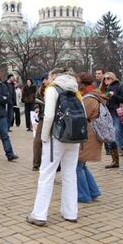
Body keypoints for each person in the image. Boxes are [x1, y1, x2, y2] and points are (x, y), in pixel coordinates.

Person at [27, 68, 80, 226]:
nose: (47, 80)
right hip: (74, 136)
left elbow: (49, 116)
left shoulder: (53, 89)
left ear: (54, 76)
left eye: (49, 77)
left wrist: (43, 137)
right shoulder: (75, 89)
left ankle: (39, 214)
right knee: (70, 174)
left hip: (56, 137)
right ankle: (71, 212)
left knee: (46, 175)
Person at [100, 72, 123, 174]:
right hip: (108, 116)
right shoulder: (104, 88)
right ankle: (115, 161)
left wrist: (114, 96)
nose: (106, 80)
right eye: (104, 78)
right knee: (111, 139)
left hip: (117, 115)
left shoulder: (119, 87)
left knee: (118, 138)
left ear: (113, 78)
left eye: (108, 78)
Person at [77, 73, 104, 203]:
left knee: (78, 165)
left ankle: (83, 195)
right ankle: (93, 191)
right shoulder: (94, 95)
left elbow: (82, 115)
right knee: (81, 165)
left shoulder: (89, 98)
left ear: (83, 83)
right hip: (91, 134)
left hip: (88, 135)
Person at [32, 74, 49, 171]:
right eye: (44, 80)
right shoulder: (39, 91)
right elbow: (36, 102)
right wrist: (37, 108)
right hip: (43, 117)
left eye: (46, 79)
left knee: (54, 142)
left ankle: (57, 164)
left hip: (55, 119)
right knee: (37, 141)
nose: (44, 81)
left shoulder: (55, 90)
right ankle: (36, 163)